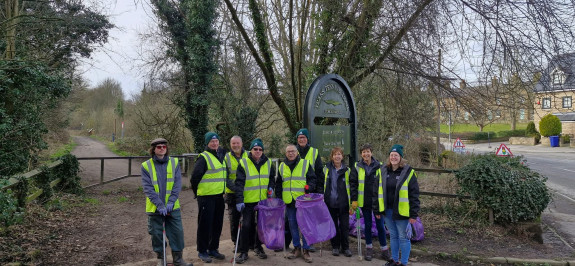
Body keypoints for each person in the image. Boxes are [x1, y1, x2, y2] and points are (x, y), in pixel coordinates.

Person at [141, 138, 193, 266]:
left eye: (164, 147)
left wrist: (170, 202)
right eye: (159, 147)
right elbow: (148, 188)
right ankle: (161, 259)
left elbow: (177, 184)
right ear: (153, 149)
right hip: (155, 208)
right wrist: (159, 204)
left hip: (172, 207)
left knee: (177, 233)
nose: (162, 149)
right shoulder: (146, 166)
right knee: (157, 234)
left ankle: (178, 259)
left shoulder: (174, 163)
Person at [233, 138, 276, 264]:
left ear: (262, 151)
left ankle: (258, 247)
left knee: (261, 226)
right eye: (255, 149)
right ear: (250, 150)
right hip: (248, 201)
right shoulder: (244, 163)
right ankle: (244, 251)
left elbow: (271, 179)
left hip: (262, 201)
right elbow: (239, 184)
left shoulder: (268, 163)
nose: (257, 151)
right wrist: (239, 200)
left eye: (260, 149)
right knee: (246, 225)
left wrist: (271, 188)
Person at [376, 144, 420, 266]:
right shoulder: (383, 170)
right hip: (388, 211)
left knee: (403, 238)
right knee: (393, 236)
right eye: (391, 155)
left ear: (401, 157)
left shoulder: (408, 172)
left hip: (402, 212)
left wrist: (413, 214)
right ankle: (394, 261)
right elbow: (377, 191)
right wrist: (377, 210)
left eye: (396, 155)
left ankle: (404, 263)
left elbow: (414, 194)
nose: (393, 157)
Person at [275, 144, 316, 263]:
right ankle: (297, 247)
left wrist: (310, 188)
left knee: (305, 226)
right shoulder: (282, 166)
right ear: (285, 153)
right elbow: (279, 184)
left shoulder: (305, 163)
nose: (291, 153)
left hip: (302, 201)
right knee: (293, 226)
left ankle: (306, 250)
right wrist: (279, 198)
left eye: (293, 151)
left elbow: (313, 179)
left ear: (297, 152)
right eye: (288, 152)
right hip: (289, 201)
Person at [349, 143, 390, 261]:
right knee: (367, 226)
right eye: (363, 152)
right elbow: (353, 184)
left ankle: (384, 249)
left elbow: (385, 185)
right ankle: (369, 249)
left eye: (368, 151)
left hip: (377, 202)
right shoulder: (357, 166)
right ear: (361, 154)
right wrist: (354, 200)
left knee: (380, 226)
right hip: (364, 202)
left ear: (371, 152)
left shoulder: (380, 166)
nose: (366, 154)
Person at [191, 132, 227, 263]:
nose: (215, 143)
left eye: (216, 141)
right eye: (212, 141)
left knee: (217, 223)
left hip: (219, 196)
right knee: (205, 224)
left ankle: (213, 249)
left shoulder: (220, 155)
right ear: (207, 143)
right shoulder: (204, 157)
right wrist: (198, 193)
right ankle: (202, 250)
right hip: (206, 197)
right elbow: (194, 177)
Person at [295, 128, 323, 252]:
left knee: (309, 218)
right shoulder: (293, 151)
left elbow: (319, 173)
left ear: (307, 139)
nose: (302, 140)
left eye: (304, 138)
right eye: (299, 138)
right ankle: (290, 243)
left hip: (311, 189)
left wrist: (319, 190)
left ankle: (309, 242)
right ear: (297, 140)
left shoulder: (314, 152)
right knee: (293, 218)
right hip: (295, 190)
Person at [323, 147, 353, 257]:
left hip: (343, 204)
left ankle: (345, 248)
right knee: (333, 226)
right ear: (332, 156)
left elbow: (351, 187)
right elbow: (322, 185)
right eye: (335, 154)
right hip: (330, 203)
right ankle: (335, 247)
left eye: (339, 154)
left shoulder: (347, 170)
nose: (337, 156)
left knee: (344, 227)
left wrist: (352, 204)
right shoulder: (326, 169)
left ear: (342, 156)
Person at [224, 136, 248, 248]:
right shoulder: (226, 157)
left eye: (237, 143)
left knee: (249, 220)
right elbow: (225, 177)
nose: (235, 145)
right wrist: (237, 189)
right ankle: (236, 243)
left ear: (241, 144)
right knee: (234, 220)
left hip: (248, 193)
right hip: (232, 193)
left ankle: (248, 243)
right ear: (230, 145)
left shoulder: (249, 155)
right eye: (233, 143)